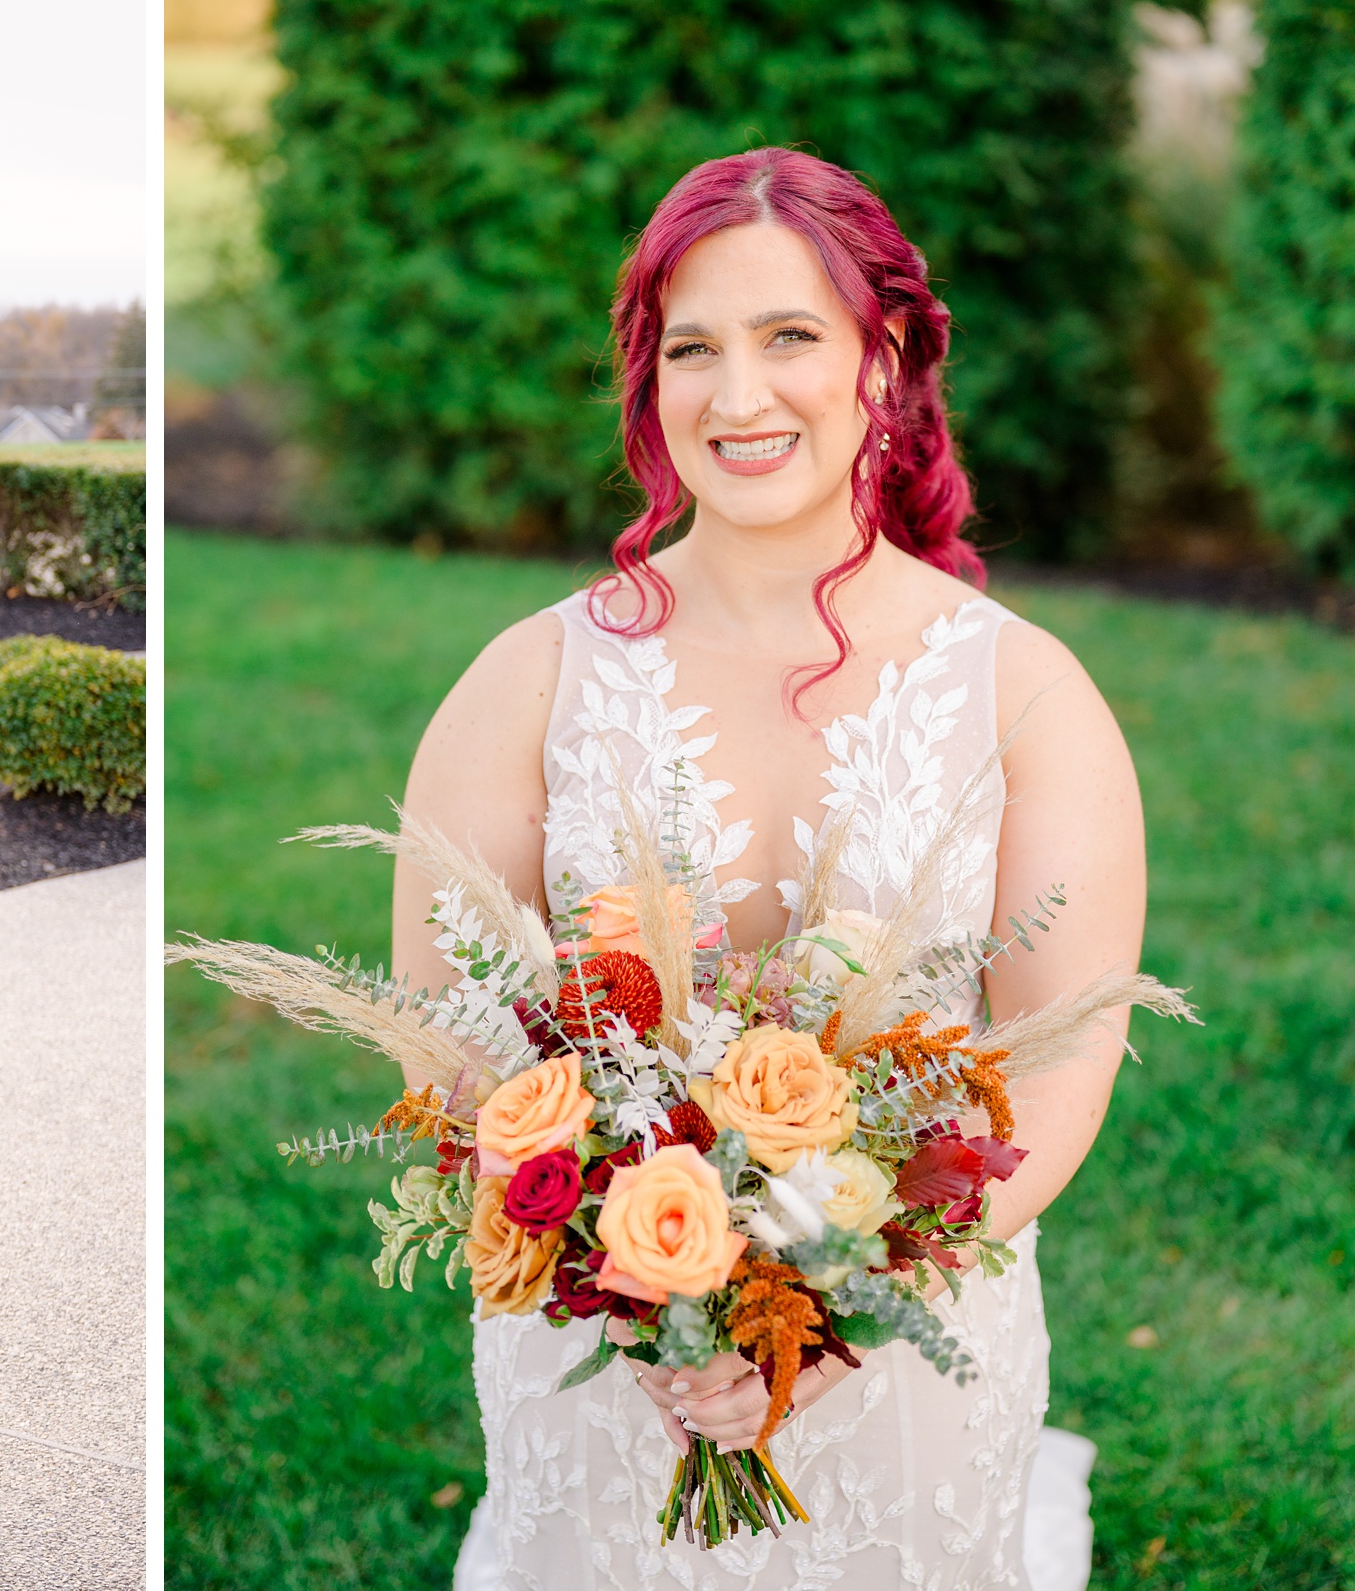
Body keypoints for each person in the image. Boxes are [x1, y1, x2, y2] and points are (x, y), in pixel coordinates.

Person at [399, 149, 1145, 1590]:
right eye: (694, 350)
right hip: (604, 1360)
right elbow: (447, 1037)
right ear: (648, 382)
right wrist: (635, 1298)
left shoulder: (1025, 696)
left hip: (911, 1345)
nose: (738, 399)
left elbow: (1064, 1062)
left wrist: (832, 1313)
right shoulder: (526, 683)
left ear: (891, 362)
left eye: (789, 337)